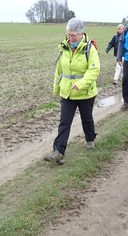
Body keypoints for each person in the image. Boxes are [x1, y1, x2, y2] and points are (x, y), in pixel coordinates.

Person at [44, 18, 100, 165]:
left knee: (86, 119)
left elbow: (94, 71)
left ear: (81, 34)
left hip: (85, 93)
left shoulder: (90, 49)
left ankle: (90, 139)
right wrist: (56, 87)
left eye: (74, 35)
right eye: (69, 35)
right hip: (67, 93)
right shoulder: (64, 47)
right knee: (64, 122)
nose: (71, 38)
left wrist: (81, 84)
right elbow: (59, 71)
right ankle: (58, 151)